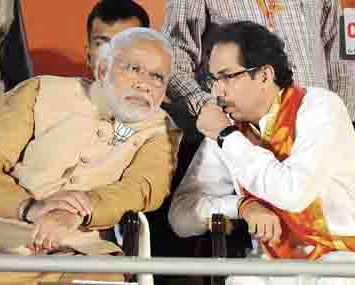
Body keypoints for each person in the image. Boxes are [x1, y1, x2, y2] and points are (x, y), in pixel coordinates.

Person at [0, 27, 179, 284]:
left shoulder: (160, 130)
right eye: (133, 69)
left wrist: (78, 211)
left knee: (103, 279)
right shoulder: (38, 92)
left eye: (157, 77)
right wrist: (32, 208)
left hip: (79, 253)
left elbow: (142, 189)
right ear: (103, 71)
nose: (144, 85)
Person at [169, 21, 355, 284]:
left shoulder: (320, 107)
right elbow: (181, 216)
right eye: (213, 79)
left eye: (227, 77)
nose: (216, 91)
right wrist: (241, 206)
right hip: (273, 264)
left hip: (341, 257)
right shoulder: (230, 125)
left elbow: (293, 193)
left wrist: (225, 136)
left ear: (265, 75)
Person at [162, 0, 355, 122]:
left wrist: (343, 120)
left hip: (317, 124)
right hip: (245, 132)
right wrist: (209, 108)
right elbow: (173, 57)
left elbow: (341, 59)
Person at [86, 0, 150, 72]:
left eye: (127, 44)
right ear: (88, 55)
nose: (113, 56)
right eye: (102, 44)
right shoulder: (72, 83)